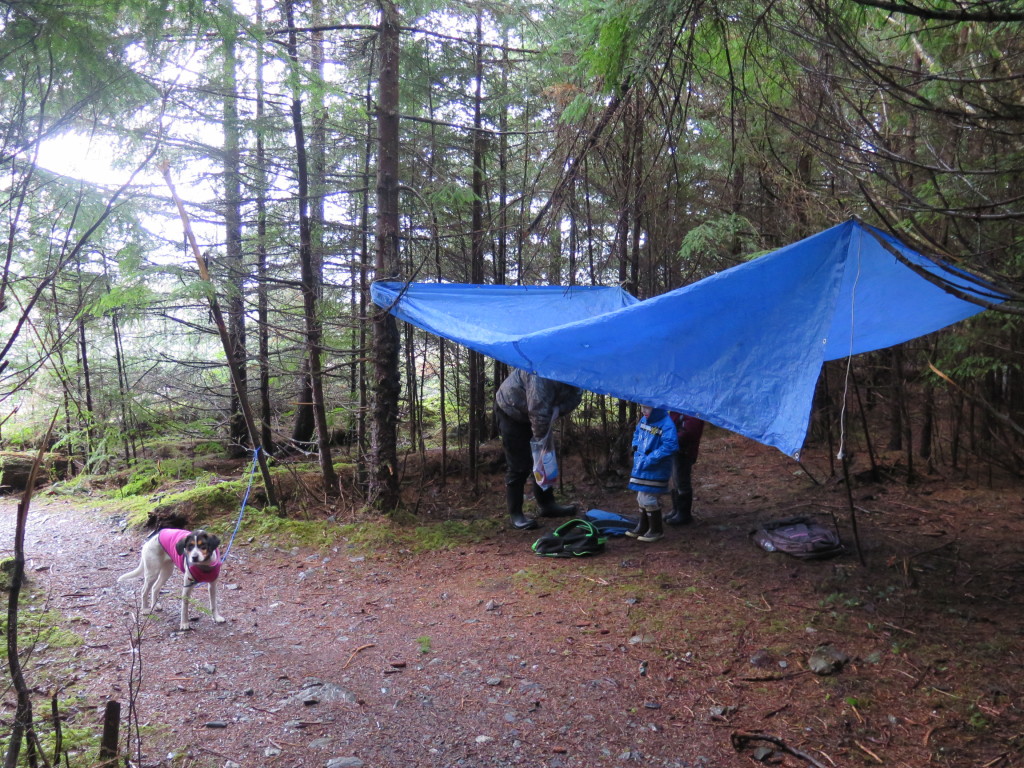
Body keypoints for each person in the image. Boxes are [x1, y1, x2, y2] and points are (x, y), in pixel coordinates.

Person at [494, 369, 581, 530]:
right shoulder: (541, 373)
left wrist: (557, 410)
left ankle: (547, 504)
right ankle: (516, 513)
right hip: (511, 410)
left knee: (543, 458)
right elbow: (538, 409)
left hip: (538, 411)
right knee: (519, 463)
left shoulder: (572, 371)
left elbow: (576, 397)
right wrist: (542, 442)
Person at [626, 405, 679, 543]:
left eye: (648, 408)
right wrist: (635, 446)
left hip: (656, 467)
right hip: (642, 465)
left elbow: (670, 445)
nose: (644, 411)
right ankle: (643, 526)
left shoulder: (666, 423)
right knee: (641, 498)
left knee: (648, 498)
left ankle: (656, 529)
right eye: (643, 407)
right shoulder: (644, 420)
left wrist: (651, 458)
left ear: (656, 408)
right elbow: (637, 434)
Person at [666, 413, 704, 525]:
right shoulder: (677, 410)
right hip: (675, 449)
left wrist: (673, 439)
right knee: (674, 480)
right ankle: (676, 510)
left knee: (681, 480)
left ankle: (684, 514)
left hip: (684, 451)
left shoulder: (693, 413)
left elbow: (690, 432)